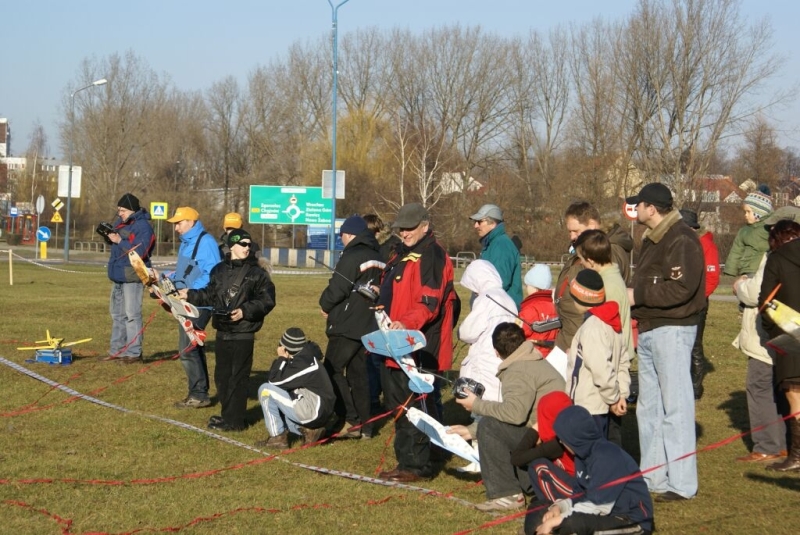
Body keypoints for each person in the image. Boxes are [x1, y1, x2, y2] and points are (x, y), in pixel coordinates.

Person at [626, 183, 705, 502]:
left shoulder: (681, 238)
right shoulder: (653, 238)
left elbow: (683, 288)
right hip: (650, 328)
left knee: (676, 407)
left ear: (652, 208)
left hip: (672, 329)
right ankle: (653, 476)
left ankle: (682, 483)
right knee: (649, 408)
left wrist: (637, 295)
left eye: (638, 204)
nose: (635, 209)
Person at [375, 202, 459, 483]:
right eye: (401, 229)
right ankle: (431, 452)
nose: (404, 233)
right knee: (406, 402)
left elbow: (429, 302)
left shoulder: (432, 255)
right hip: (397, 342)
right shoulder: (404, 253)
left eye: (410, 228)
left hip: (420, 345)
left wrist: (405, 324)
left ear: (425, 226)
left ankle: (414, 465)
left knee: (411, 405)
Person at [449, 323, 565, 512]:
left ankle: (507, 495)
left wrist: (476, 404)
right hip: (551, 437)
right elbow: (517, 417)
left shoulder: (518, 370)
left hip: (547, 443)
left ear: (496, 352)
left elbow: (514, 415)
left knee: (488, 425)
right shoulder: (531, 359)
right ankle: (529, 483)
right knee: (488, 426)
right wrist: (472, 431)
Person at [181, 229, 275, 431]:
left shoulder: (257, 274)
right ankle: (227, 416)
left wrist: (244, 311)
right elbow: (209, 295)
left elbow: (267, 300)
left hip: (243, 332)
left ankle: (235, 422)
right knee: (222, 377)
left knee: (238, 378)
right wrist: (189, 295)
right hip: (222, 331)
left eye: (249, 244)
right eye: (243, 244)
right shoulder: (218, 270)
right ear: (232, 246)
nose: (247, 248)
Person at [525, 405, 654, 535]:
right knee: (538, 507)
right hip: (599, 515)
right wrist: (559, 507)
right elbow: (578, 496)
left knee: (573, 523)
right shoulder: (581, 456)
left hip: (628, 519)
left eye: (562, 439)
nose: (561, 443)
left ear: (574, 437)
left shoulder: (608, 455)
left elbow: (597, 505)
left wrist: (558, 520)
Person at [731, 210, 797, 462]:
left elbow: (757, 294)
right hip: (791, 335)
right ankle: (786, 443)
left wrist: (740, 285)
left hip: (771, 335)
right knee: (787, 388)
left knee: (760, 385)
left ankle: (768, 445)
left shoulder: (776, 257)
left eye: (772, 230)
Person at [319, 215, 383, 439]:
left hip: (347, 323)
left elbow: (338, 287)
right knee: (358, 375)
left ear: (348, 235)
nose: (342, 240)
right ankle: (367, 425)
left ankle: (349, 419)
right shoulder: (378, 255)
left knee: (331, 370)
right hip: (368, 322)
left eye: (342, 236)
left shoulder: (353, 254)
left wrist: (325, 305)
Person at [456, 259, 519, 473]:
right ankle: (496, 458)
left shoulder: (486, 298)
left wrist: (461, 332)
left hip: (484, 362)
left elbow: (468, 332)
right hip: (502, 360)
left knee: (480, 409)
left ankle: (480, 459)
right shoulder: (507, 298)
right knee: (497, 409)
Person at [573, 230, 634, 447]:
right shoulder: (611, 278)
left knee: (608, 433)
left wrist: (615, 396)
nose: (581, 264)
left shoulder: (607, 286)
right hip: (614, 359)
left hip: (611, 361)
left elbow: (604, 339)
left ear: (590, 260)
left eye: (581, 259)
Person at [555, 202, 632, 353]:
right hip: (573, 334)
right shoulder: (587, 247)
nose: (572, 236)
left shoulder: (607, 251)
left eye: (576, 231)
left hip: (588, 339)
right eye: (569, 232)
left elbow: (604, 304)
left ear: (591, 225)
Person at [165, 206, 222, 409]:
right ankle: (199, 392)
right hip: (185, 300)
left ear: (191, 222)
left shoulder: (206, 242)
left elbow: (213, 274)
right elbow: (185, 272)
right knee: (193, 347)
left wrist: (191, 291)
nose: (176, 228)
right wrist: (166, 278)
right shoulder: (185, 243)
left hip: (200, 303)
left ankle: (198, 395)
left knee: (187, 349)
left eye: (179, 223)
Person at [564, 269, 630, 439]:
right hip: (602, 403)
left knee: (589, 450)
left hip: (589, 405)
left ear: (581, 298)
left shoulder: (593, 328)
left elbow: (601, 369)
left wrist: (614, 399)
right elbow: (622, 362)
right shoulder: (611, 322)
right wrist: (622, 393)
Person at [759, 217, 800, 472]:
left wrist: (771, 329)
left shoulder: (777, 259)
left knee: (795, 396)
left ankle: (797, 455)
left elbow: (766, 302)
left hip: (791, 334)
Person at [255, 328, 336, 449]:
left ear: (285, 348)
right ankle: (309, 431)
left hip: (314, 411)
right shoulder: (305, 357)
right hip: (320, 410)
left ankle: (277, 438)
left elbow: (274, 380)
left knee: (265, 390)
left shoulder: (302, 364)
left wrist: (281, 358)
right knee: (282, 398)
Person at [104, 193, 155, 364]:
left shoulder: (143, 227)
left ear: (132, 210)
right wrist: (109, 237)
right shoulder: (120, 223)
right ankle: (117, 351)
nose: (120, 214)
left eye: (123, 210)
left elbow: (140, 252)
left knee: (132, 315)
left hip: (133, 275)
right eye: (118, 210)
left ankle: (134, 353)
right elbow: (117, 246)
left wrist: (120, 240)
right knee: (117, 315)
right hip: (118, 274)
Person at [680, 209, 720, 400]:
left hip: (697, 301)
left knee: (695, 344)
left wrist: (698, 297)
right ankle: (683, 381)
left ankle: (695, 387)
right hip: (680, 299)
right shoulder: (682, 244)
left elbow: (712, 277)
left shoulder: (706, 246)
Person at [510, 391, 575, 505]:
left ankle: (552, 504)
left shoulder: (557, 444)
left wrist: (534, 430)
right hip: (576, 485)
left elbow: (517, 458)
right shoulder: (570, 432)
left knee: (538, 465)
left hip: (576, 491)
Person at [469, 204, 523, 307]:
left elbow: (499, 282)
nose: (475, 226)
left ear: (492, 223)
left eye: (479, 221)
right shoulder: (492, 244)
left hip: (500, 310)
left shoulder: (501, 245)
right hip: (492, 307)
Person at [723, 185, 773, 278]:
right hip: (746, 271)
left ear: (759, 213)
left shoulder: (770, 228)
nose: (745, 215)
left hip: (764, 271)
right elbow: (736, 252)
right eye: (745, 212)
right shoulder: (744, 231)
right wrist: (730, 271)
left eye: (749, 212)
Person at [518, 264, 558, 357]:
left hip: (532, 355)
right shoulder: (555, 306)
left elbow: (518, 333)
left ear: (534, 287)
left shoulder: (530, 309)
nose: (526, 288)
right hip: (552, 355)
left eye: (527, 285)